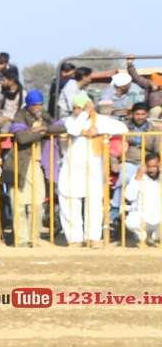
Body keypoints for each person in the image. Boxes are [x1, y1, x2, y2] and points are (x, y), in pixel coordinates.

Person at [58, 93, 127, 248]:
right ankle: (75, 239)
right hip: (72, 171)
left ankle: (93, 238)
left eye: (79, 107)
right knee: (71, 204)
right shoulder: (71, 120)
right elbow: (75, 130)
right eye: (75, 107)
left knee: (94, 204)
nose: (76, 110)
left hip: (94, 170)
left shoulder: (99, 120)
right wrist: (85, 113)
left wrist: (99, 130)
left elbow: (122, 127)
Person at [9, 90, 67, 247]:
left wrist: (41, 129)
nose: (39, 107)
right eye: (36, 105)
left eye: (41, 104)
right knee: (19, 205)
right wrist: (41, 133)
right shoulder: (19, 117)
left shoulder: (44, 116)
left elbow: (62, 127)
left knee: (37, 204)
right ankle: (21, 240)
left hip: (38, 164)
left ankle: (33, 239)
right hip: (20, 164)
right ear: (29, 106)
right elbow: (22, 138)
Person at [124, 154, 161, 246]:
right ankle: (143, 237)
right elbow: (129, 197)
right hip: (141, 217)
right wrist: (138, 175)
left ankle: (156, 237)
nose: (151, 170)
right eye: (148, 166)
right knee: (130, 222)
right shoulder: (138, 177)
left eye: (154, 166)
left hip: (159, 218)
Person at [0, 65, 24, 133]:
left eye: (4, 80)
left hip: (11, 121)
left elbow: (22, 113)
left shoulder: (22, 94)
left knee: (4, 130)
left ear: (11, 81)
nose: (2, 82)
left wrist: (8, 119)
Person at [127, 53, 162, 119]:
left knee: (157, 109)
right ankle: (150, 124)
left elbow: (156, 103)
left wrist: (154, 90)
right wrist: (130, 64)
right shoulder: (148, 84)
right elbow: (136, 77)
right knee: (156, 110)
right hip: (149, 112)